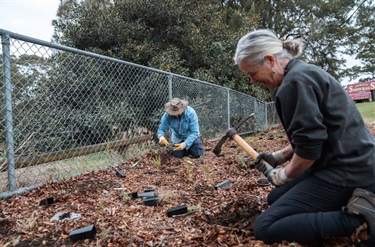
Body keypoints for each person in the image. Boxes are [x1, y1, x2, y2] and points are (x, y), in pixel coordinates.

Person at [233, 29, 375, 246]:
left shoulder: (294, 84)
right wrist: (279, 157)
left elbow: (309, 150)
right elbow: (316, 134)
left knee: (265, 228)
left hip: (348, 172)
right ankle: (346, 204)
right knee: (274, 198)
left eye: (252, 73)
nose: (252, 81)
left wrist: (282, 175)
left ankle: (358, 220)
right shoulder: (303, 73)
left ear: (270, 60)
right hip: (356, 162)